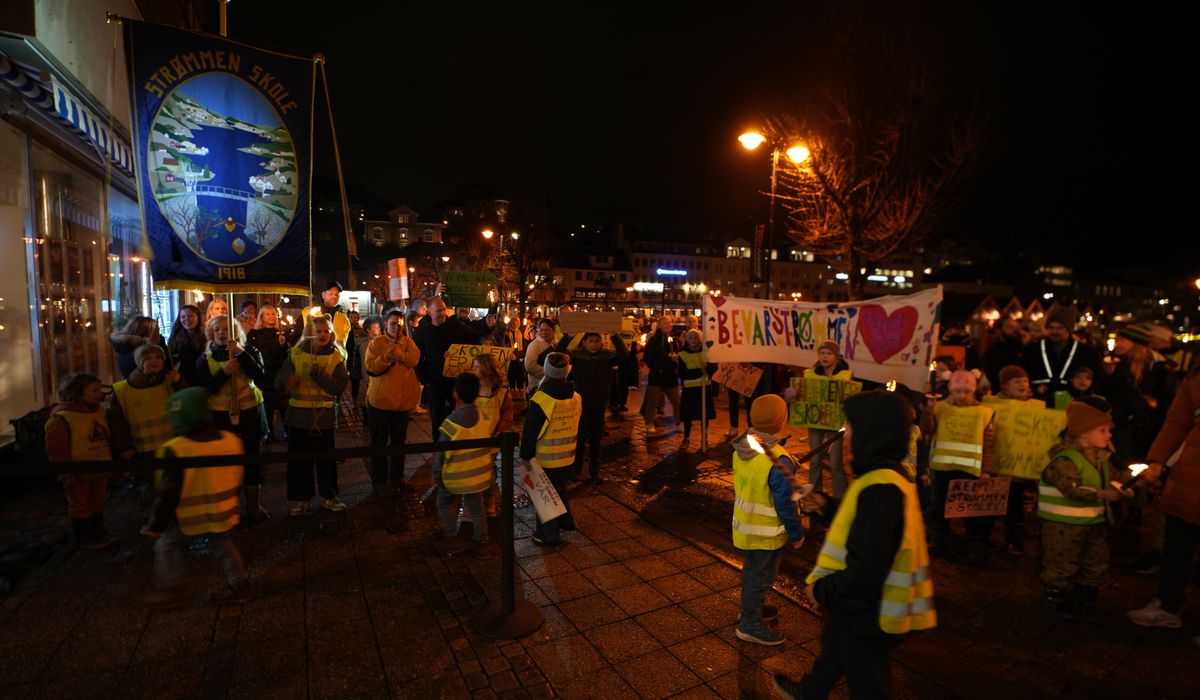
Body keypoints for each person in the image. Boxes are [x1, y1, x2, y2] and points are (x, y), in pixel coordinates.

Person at [772, 391, 936, 700]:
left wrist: (822, 591)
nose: (845, 433)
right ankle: (811, 691)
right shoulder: (881, 478)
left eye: (852, 425)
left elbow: (867, 569)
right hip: (864, 606)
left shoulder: (882, 490)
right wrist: (826, 506)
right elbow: (865, 525)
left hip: (872, 610)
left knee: (867, 682)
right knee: (835, 645)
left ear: (873, 432)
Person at [141, 387, 251, 609]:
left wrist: (156, 525)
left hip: (187, 516)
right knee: (224, 547)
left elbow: (167, 492)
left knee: (166, 546)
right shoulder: (230, 440)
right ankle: (240, 586)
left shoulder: (175, 449)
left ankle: (171, 591)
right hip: (221, 511)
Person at [1127, 367, 1200, 631]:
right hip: (1190, 476)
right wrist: (1157, 459)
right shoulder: (1196, 378)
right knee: (1177, 545)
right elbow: (1177, 422)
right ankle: (1168, 606)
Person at [1038, 398, 1123, 621]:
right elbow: (1071, 488)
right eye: (1102, 430)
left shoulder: (1101, 458)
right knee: (1061, 563)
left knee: (1096, 562)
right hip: (1063, 527)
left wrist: (1128, 485)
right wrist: (1103, 494)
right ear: (1084, 433)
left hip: (1093, 523)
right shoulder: (1065, 459)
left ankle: (1084, 600)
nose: (1109, 435)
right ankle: (1055, 600)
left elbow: (1113, 478)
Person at [731, 395, 806, 646]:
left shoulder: (744, 444)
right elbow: (786, 502)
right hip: (766, 533)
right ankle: (750, 624)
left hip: (746, 526)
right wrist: (797, 533)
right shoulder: (778, 459)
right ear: (781, 421)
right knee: (761, 577)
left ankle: (750, 609)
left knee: (753, 572)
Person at [195, 315, 270, 522]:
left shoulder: (249, 351)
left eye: (226, 329)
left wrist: (240, 353)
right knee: (226, 464)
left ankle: (254, 506)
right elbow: (204, 389)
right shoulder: (205, 358)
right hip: (220, 417)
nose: (221, 333)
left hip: (249, 413)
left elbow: (260, 373)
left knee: (251, 460)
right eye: (217, 330)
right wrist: (223, 373)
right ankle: (230, 507)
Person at [277, 314, 349, 514]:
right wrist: (287, 383)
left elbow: (338, 387)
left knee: (326, 460)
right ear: (309, 333)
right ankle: (301, 499)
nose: (323, 334)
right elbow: (280, 382)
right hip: (298, 417)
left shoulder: (336, 357)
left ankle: (330, 496)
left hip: (323, 418)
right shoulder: (295, 355)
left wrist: (320, 375)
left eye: (326, 330)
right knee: (299, 462)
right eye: (318, 331)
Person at [926, 370, 996, 561]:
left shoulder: (984, 413)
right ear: (951, 391)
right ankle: (939, 541)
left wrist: (986, 471)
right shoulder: (940, 408)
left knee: (970, 512)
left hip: (970, 471)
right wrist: (928, 412)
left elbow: (989, 445)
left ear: (973, 391)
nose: (962, 396)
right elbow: (928, 431)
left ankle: (975, 547)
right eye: (958, 391)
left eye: (966, 391)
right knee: (939, 508)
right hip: (942, 469)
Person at [109, 344, 184, 518]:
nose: (154, 361)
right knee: (149, 486)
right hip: (142, 449)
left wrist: (178, 383)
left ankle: (171, 518)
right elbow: (117, 422)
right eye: (148, 358)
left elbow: (184, 403)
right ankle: (151, 519)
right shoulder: (122, 390)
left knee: (171, 483)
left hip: (170, 445)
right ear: (139, 362)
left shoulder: (169, 382)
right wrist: (124, 447)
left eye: (158, 357)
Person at [46, 373, 118, 549]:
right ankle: (85, 537)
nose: (99, 394)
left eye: (99, 389)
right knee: (80, 504)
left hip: (101, 466)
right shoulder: (63, 418)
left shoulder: (99, 412)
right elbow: (57, 449)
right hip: (79, 471)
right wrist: (65, 472)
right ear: (76, 394)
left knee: (97, 501)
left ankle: (99, 531)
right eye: (93, 390)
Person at [521, 353, 582, 545]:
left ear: (546, 371)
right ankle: (565, 521)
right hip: (568, 456)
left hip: (545, 458)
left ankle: (548, 535)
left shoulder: (541, 399)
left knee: (545, 498)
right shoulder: (576, 398)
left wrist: (525, 456)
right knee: (559, 490)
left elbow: (530, 432)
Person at [413, 296, 491, 432]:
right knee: (437, 420)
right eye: (438, 311)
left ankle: (454, 447)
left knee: (457, 418)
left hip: (455, 381)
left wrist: (488, 325)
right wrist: (426, 380)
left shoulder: (455, 326)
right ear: (429, 313)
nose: (443, 313)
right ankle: (439, 448)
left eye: (444, 309)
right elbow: (417, 358)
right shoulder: (421, 332)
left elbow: (475, 335)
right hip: (434, 381)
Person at [364, 309, 421, 495]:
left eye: (399, 324)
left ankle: (397, 478)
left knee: (399, 443)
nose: (397, 327)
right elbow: (370, 366)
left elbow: (414, 359)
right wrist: (386, 357)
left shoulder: (408, 342)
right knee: (379, 443)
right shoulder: (376, 343)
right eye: (393, 324)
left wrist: (402, 356)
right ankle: (379, 482)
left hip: (402, 402)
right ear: (385, 325)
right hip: (381, 402)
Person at [559, 330, 627, 482]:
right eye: (591, 341)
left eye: (597, 341)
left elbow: (624, 356)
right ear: (584, 342)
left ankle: (594, 472)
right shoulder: (576, 355)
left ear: (601, 342)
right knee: (580, 440)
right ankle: (576, 471)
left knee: (596, 441)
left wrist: (615, 335)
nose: (594, 344)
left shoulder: (607, 356)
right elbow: (559, 353)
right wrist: (568, 335)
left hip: (598, 403)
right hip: (580, 404)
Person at [434, 373, 492, 550]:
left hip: (454, 477)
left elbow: (441, 452)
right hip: (478, 476)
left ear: (456, 394)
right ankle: (481, 538)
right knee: (476, 507)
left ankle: (452, 537)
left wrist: (437, 473)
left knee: (444, 503)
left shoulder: (451, 421)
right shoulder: (484, 417)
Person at [983, 365, 1037, 555]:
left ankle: (1014, 541)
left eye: (1025, 381)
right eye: (1017, 381)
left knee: (1015, 506)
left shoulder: (1035, 407)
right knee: (990, 504)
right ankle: (984, 539)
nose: (1023, 384)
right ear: (1005, 386)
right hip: (997, 465)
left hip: (1018, 468)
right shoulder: (991, 405)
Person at [1023, 307, 1099, 407]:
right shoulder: (1032, 350)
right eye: (1051, 328)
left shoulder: (1085, 352)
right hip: (1040, 400)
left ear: (1069, 330)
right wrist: (1034, 387)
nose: (1055, 332)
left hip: (1072, 402)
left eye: (1059, 328)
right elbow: (1024, 373)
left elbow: (1095, 376)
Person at [807, 341, 852, 497]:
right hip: (816, 422)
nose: (825, 356)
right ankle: (815, 496)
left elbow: (850, 396)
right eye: (822, 353)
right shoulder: (813, 373)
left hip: (834, 423)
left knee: (835, 463)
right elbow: (804, 395)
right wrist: (793, 393)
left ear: (836, 356)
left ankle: (840, 498)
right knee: (814, 460)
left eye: (829, 353)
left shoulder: (844, 374)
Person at [473, 353, 514, 516]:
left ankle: (490, 500)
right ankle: (474, 503)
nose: (474, 369)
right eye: (473, 366)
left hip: (491, 438)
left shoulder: (501, 392)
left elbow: (507, 414)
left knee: (489, 471)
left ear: (488, 368)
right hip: (473, 438)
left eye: (478, 366)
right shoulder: (470, 389)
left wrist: (500, 431)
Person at [246, 303, 290, 442]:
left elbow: (289, 353)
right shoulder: (254, 334)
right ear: (261, 317)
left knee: (283, 404)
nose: (271, 316)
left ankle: (287, 431)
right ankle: (268, 432)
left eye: (273, 314)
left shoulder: (282, 333)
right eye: (267, 314)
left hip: (279, 374)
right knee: (267, 406)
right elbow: (251, 352)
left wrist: (284, 344)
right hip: (264, 374)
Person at [641, 316, 682, 436]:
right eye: (664, 323)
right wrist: (658, 369)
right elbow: (648, 357)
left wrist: (676, 358)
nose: (667, 325)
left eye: (669, 323)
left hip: (671, 376)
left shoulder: (673, 340)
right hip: (657, 377)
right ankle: (649, 423)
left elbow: (678, 353)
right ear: (659, 325)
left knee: (677, 401)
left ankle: (679, 422)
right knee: (652, 403)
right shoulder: (654, 340)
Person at [677, 329, 715, 450]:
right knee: (688, 416)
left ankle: (705, 438)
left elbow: (713, 368)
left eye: (695, 337)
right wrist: (700, 371)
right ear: (687, 340)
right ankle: (686, 438)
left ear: (699, 339)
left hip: (704, 388)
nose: (693, 340)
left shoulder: (706, 352)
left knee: (704, 415)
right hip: (689, 390)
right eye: (690, 338)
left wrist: (708, 368)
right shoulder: (682, 354)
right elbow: (683, 373)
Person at [301, 280, 353, 347]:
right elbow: (296, 338)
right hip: (312, 356)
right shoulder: (308, 313)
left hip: (338, 356)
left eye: (337, 294)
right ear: (323, 295)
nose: (334, 296)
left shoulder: (344, 317)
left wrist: (350, 357)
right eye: (331, 294)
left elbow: (350, 343)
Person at [167, 304, 206, 388]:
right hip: (181, 381)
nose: (186, 319)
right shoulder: (175, 338)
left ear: (198, 318)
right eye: (183, 317)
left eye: (190, 316)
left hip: (201, 379)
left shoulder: (206, 336)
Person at [982, 317, 1026, 390]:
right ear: (999, 330)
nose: (1015, 330)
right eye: (1010, 327)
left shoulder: (1022, 347)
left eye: (1016, 327)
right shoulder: (993, 351)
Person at [524, 318, 557, 396]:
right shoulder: (534, 345)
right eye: (541, 330)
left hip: (552, 387)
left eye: (546, 330)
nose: (543, 333)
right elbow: (530, 366)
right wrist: (550, 374)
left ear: (553, 331)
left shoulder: (556, 344)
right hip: (537, 387)